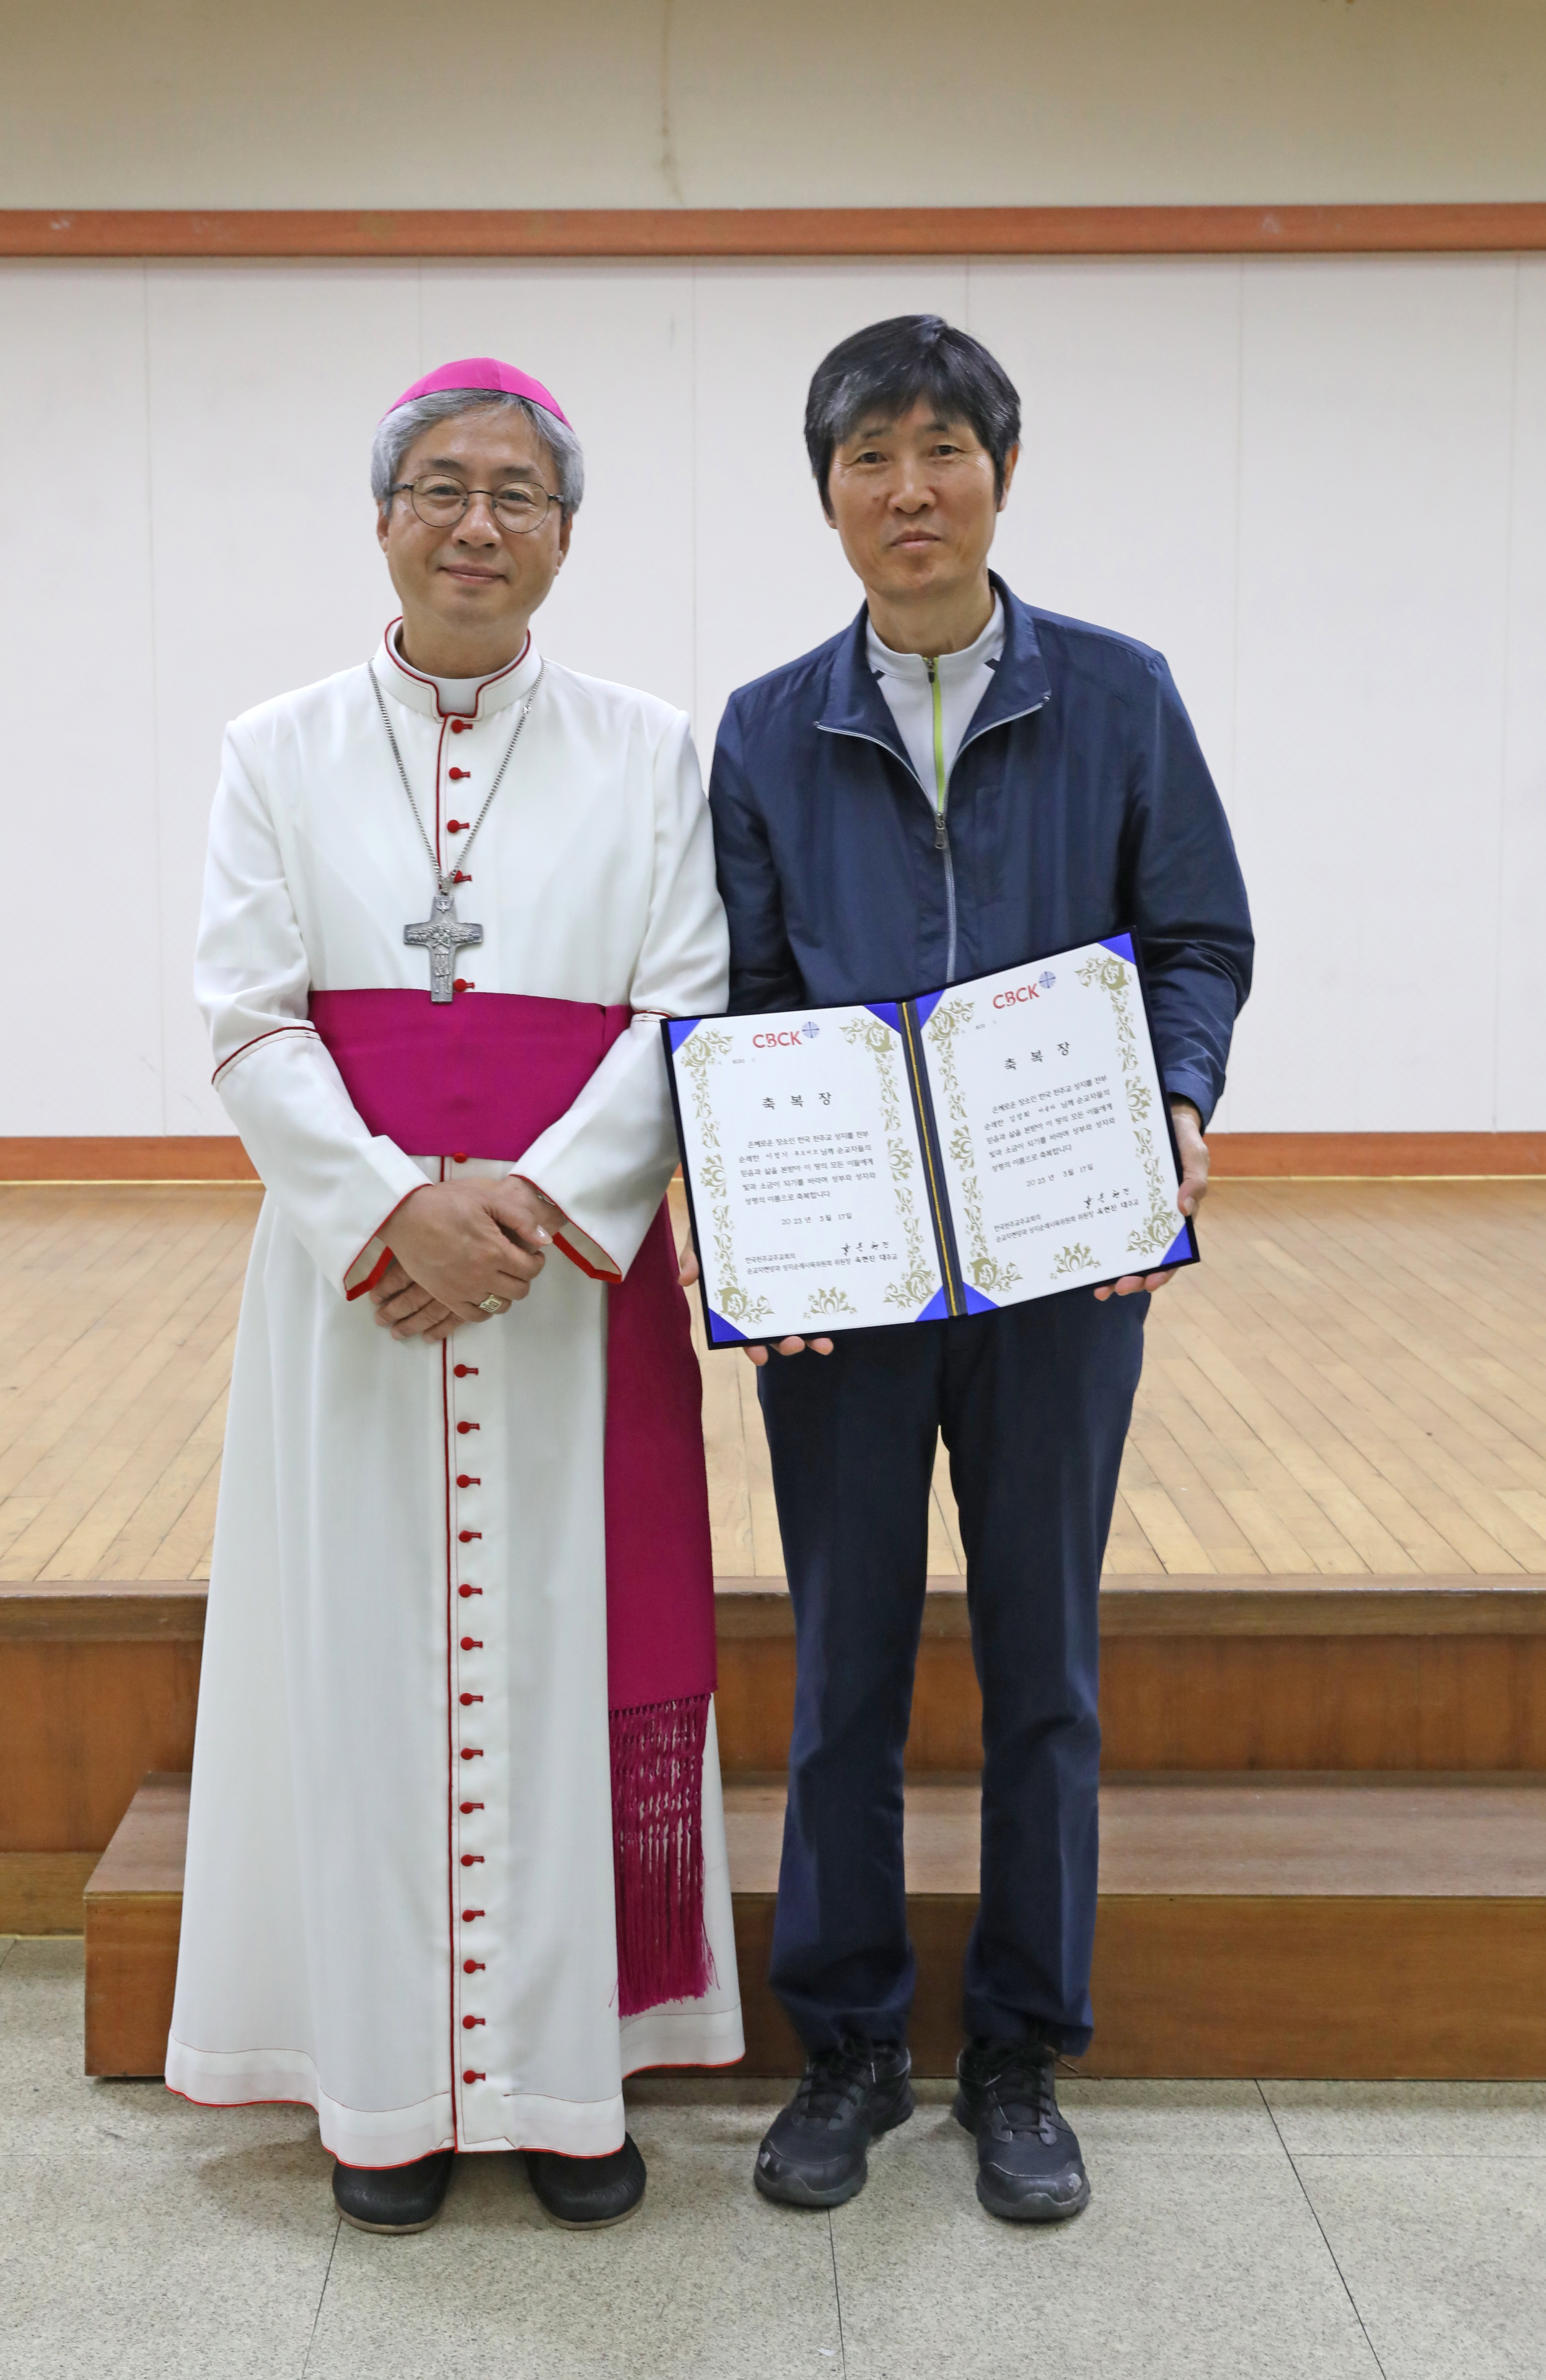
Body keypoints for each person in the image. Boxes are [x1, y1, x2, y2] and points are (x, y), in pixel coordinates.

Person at [168, 357, 742, 2234]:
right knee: (360, 1670)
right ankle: (385, 2096)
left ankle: (569, 2089)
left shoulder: (653, 751)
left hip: (567, 1301)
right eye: (442, 487)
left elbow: (689, 1009)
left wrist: (531, 1210)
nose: (476, 522)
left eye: (516, 494)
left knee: (568, 1655)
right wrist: (394, 1211)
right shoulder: (274, 749)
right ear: (385, 520)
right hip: (355, 1300)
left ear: (565, 536)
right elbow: (247, 1017)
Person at [707, 315, 1252, 2223]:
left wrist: (1173, 1098)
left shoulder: (1119, 692)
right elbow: (744, 994)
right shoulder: (767, 726)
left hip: (1058, 1266)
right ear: (828, 496)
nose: (909, 489)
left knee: (1044, 1670)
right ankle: (849, 2047)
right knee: (844, 1670)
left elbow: (1196, 936)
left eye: (942, 449)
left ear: (1001, 474)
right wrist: (760, 1221)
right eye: (869, 457)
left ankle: (1020, 2049)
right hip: (847, 1283)